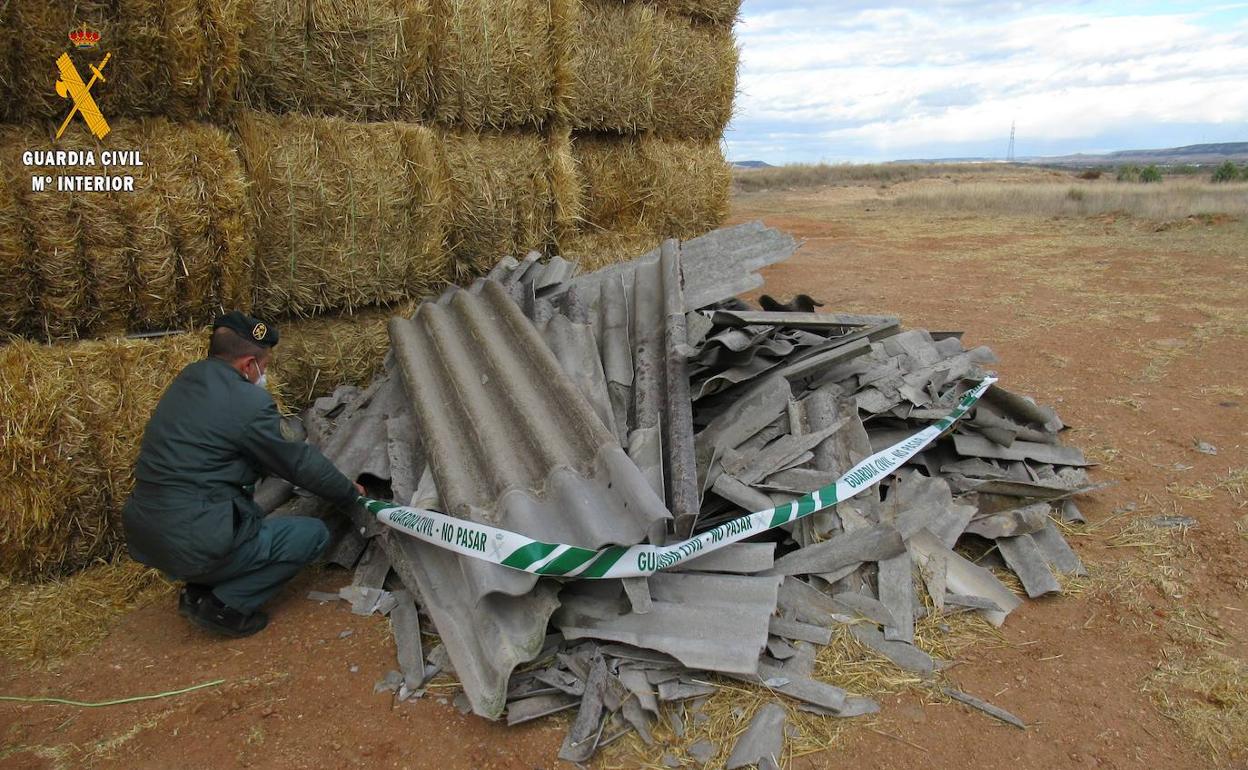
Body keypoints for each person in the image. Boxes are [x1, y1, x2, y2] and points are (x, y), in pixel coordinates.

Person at [123, 311, 363, 638]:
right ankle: (225, 605)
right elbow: (299, 463)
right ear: (248, 365)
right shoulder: (248, 402)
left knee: (238, 516)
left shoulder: (186, 381)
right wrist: (348, 493)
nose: (264, 374)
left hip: (150, 536)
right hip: (194, 541)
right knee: (310, 534)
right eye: (264, 366)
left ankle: (200, 589)